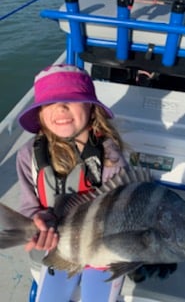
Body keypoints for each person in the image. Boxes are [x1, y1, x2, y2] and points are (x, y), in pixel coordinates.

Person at [16, 64, 127, 302]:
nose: (60, 107)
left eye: (71, 99)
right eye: (49, 103)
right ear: (40, 114)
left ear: (90, 107)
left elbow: (120, 210)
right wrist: (35, 220)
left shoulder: (109, 155)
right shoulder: (28, 155)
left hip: (101, 249)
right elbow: (29, 205)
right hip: (58, 246)